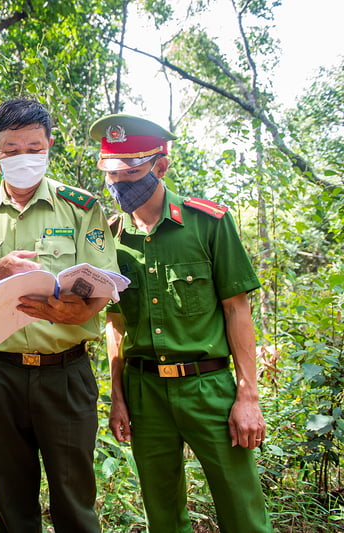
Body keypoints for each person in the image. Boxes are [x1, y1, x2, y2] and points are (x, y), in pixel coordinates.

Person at [0, 98, 118, 533]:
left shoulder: (80, 207)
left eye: (34, 148)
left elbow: (105, 285)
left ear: (49, 145)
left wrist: (76, 311)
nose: (25, 157)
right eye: (12, 149)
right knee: (12, 499)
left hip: (65, 372)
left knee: (74, 498)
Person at [92, 113, 272, 532]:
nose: (119, 183)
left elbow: (237, 310)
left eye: (131, 172)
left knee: (242, 511)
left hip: (208, 387)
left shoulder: (208, 223)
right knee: (163, 515)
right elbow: (115, 324)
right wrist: (117, 396)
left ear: (161, 165)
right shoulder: (110, 238)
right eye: (112, 174)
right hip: (144, 391)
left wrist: (248, 396)